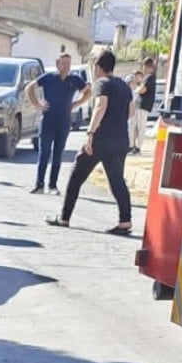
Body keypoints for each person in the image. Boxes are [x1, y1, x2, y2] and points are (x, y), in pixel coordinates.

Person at [47, 50, 134, 235]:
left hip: (101, 139)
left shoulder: (101, 83)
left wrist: (90, 133)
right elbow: (131, 112)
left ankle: (64, 217)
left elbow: (100, 107)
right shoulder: (124, 86)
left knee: (76, 175)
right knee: (117, 180)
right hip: (121, 139)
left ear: (98, 67)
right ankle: (125, 221)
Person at [26, 52, 90, 195]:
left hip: (64, 122)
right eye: (63, 63)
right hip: (48, 120)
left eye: (68, 63)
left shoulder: (75, 80)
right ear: (57, 64)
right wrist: (36, 104)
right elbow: (29, 88)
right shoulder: (49, 78)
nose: (66, 66)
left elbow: (88, 91)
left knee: (57, 154)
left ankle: (53, 185)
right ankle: (39, 184)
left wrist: (77, 103)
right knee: (44, 153)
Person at [131, 57, 157, 155]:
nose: (144, 68)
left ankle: (138, 146)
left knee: (141, 126)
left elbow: (143, 89)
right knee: (137, 126)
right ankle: (135, 145)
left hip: (143, 104)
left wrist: (136, 90)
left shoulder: (149, 77)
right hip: (140, 104)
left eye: (145, 66)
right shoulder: (147, 77)